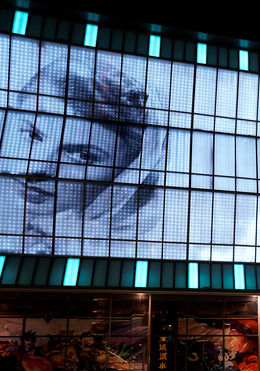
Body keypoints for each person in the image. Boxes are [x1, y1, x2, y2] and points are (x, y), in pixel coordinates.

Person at [0, 53, 167, 256]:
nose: (33, 169)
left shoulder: (125, 253)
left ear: (130, 173)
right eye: (32, 134)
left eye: (82, 156)